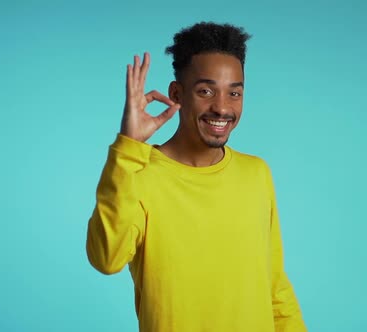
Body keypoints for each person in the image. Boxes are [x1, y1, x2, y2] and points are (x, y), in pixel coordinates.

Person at [86, 22, 307, 332]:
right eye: (206, 91)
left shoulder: (256, 174)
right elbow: (106, 259)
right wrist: (127, 147)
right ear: (177, 93)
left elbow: (275, 288)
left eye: (234, 93)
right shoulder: (138, 173)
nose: (222, 108)